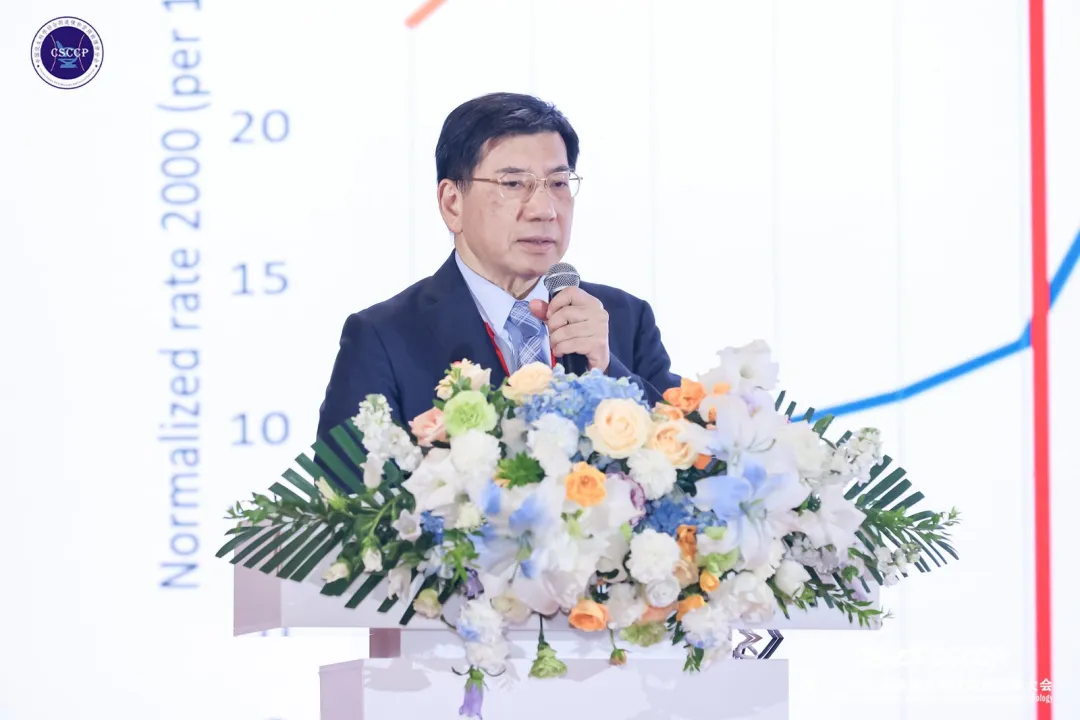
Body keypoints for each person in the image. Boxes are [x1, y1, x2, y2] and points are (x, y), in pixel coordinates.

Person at [316, 91, 682, 443]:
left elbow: (691, 461)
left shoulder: (625, 320)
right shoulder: (383, 338)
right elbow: (341, 485)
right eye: (514, 183)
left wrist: (606, 368)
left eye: (558, 183)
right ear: (452, 203)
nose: (544, 210)